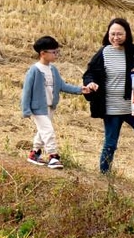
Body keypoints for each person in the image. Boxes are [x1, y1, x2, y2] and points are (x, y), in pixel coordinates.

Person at [83, 17, 134, 178]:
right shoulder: (103, 52)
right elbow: (89, 74)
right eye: (112, 34)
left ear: (127, 34)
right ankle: (104, 176)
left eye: (119, 34)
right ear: (107, 34)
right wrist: (91, 83)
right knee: (110, 144)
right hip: (111, 107)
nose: (116, 37)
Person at [21, 36, 97, 169]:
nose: (56, 55)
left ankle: (34, 153)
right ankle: (53, 156)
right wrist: (25, 110)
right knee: (48, 131)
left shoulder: (53, 70)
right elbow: (26, 91)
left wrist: (80, 90)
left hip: (50, 107)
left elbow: (62, 85)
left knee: (42, 131)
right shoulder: (34, 70)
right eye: (54, 52)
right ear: (43, 53)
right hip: (37, 108)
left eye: (57, 52)